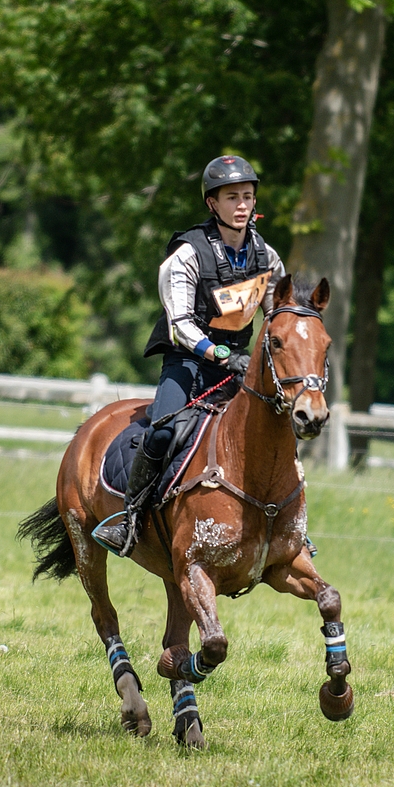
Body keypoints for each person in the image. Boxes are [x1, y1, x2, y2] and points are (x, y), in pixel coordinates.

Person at [93, 155, 286, 556]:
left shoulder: (266, 257)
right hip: (188, 363)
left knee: (274, 430)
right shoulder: (187, 253)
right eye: (231, 197)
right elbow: (179, 323)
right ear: (212, 204)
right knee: (163, 430)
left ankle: (286, 526)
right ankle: (129, 518)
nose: (242, 205)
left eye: (248, 196)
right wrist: (219, 353)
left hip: (237, 370)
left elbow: (278, 315)